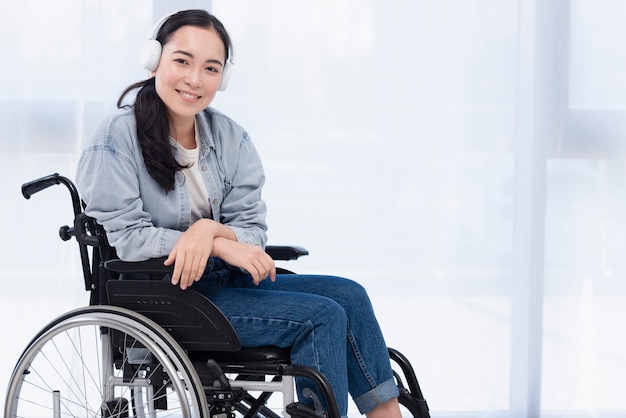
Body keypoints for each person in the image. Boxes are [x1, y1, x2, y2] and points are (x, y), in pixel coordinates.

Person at [76, 9, 402, 418]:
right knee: (320, 316)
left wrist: (209, 232)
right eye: (182, 61)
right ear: (154, 58)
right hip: (159, 295)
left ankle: (387, 415)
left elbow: (252, 230)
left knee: (348, 294)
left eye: (211, 68)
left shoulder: (230, 137)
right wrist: (213, 241)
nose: (195, 79)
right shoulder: (115, 138)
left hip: (222, 285)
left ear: (223, 78)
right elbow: (127, 238)